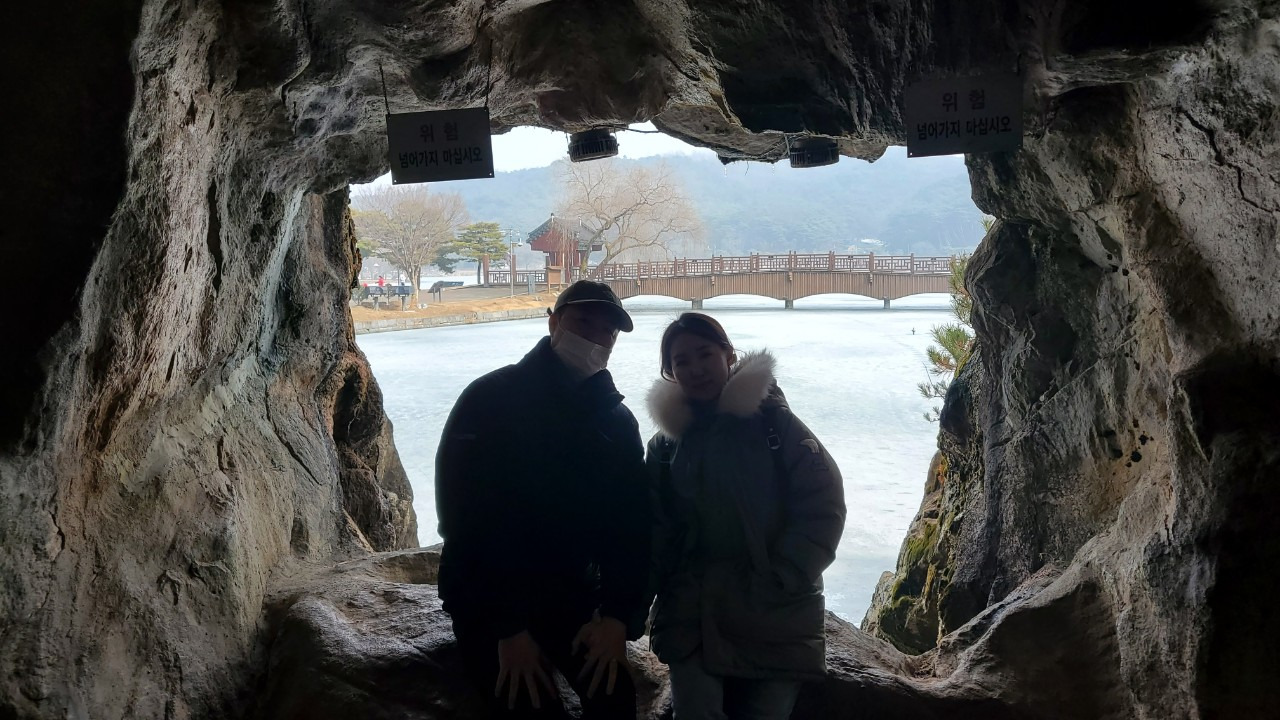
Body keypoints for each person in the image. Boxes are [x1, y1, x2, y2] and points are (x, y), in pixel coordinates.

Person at [435, 280, 651, 719]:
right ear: (553, 323)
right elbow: (465, 522)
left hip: (568, 596)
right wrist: (509, 629)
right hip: (487, 601)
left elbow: (631, 526)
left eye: (607, 331)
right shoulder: (488, 399)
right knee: (529, 704)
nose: (594, 338)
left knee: (614, 699)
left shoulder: (617, 422)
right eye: (583, 322)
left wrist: (616, 618)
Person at [644, 313, 846, 720]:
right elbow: (653, 526)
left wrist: (785, 573)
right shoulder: (665, 447)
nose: (696, 368)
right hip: (693, 612)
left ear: (729, 355)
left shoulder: (774, 424)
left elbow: (823, 503)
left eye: (705, 354)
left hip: (774, 610)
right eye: (682, 361)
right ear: (670, 373)